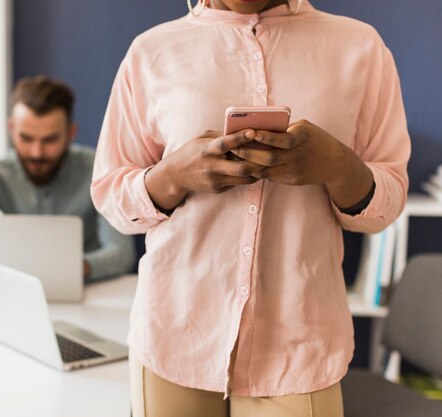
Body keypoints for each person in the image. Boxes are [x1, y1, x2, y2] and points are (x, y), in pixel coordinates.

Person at [91, 0, 410, 416]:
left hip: (299, 346)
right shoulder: (151, 51)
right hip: (173, 333)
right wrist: (173, 176)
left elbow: (390, 196)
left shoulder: (360, 47)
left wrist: (337, 166)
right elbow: (109, 192)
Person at [0, 76, 135, 282]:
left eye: (50, 140)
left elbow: (121, 253)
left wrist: (76, 267)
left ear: (71, 132)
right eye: (26, 138)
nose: (37, 153)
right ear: (11, 129)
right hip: (16, 290)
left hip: (89, 292)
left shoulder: (99, 171)